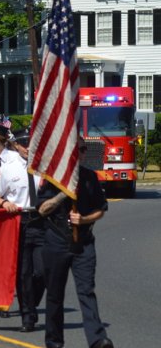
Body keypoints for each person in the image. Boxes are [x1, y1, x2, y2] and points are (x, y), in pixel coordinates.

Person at [37, 137, 113, 348]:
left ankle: (98, 339)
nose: (80, 153)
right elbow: (42, 210)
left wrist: (85, 219)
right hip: (56, 242)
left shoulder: (90, 176)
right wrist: (64, 193)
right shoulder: (51, 178)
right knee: (55, 294)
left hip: (83, 242)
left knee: (86, 290)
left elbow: (101, 209)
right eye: (76, 150)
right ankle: (54, 341)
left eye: (82, 149)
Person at [0, 127, 45, 332]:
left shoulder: (47, 166)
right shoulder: (8, 168)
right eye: (24, 144)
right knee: (24, 273)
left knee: (42, 271)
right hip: (18, 221)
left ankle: (32, 303)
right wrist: (3, 203)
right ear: (16, 145)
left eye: (32, 143)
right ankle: (27, 316)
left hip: (43, 222)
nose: (29, 147)